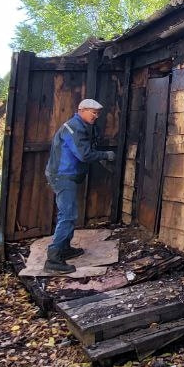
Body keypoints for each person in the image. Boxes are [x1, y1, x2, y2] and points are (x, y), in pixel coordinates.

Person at [43, 98, 115, 273]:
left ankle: (65, 249)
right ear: (81, 110)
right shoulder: (74, 127)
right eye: (93, 112)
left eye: (98, 113)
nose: (96, 116)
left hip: (67, 175)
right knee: (67, 215)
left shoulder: (80, 126)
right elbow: (84, 155)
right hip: (63, 176)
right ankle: (53, 259)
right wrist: (106, 155)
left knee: (69, 214)